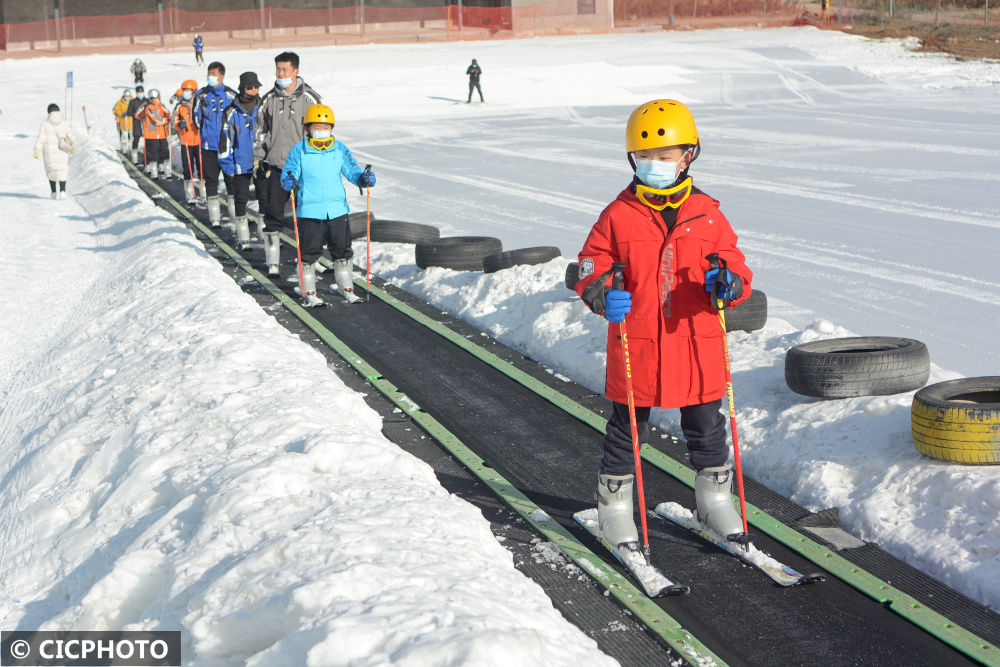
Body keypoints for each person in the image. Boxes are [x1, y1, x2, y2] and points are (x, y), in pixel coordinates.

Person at [573, 99, 753, 552]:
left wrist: (728, 283)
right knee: (628, 428)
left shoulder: (708, 213)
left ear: (687, 155)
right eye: (645, 157)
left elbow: (738, 268)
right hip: (640, 342)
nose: (654, 165)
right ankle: (614, 507)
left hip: (696, 342)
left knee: (707, 424)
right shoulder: (618, 214)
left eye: (664, 156)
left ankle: (714, 499)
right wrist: (600, 291)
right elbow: (588, 265)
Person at [281, 103, 374, 306]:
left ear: (331, 128)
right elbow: (289, 171)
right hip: (310, 210)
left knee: (342, 249)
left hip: (337, 209)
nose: (321, 131)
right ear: (307, 128)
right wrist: (289, 180)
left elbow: (351, 169)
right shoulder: (299, 150)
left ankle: (346, 287)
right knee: (309, 252)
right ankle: (309, 291)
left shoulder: (339, 148)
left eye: (325, 127)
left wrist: (362, 179)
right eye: (317, 127)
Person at [254, 51, 322, 275]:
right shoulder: (268, 99)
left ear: (296, 71)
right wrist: (258, 159)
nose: (280, 74)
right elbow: (259, 132)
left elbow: (321, 130)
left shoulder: (310, 98)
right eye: (278, 69)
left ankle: (312, 259)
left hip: (304, 168)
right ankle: (273, 260)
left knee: (309, 215)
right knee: (273, 214)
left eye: (285, 70)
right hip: (276, 167)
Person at [219, 72, 263, 250]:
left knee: (264, 199)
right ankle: (243, 237)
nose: (253, 90)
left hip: (261, 162)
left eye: (256, 86)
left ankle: (264, 234)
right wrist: (227, 164)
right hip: (239, 163)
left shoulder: (264, 107)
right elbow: (224, 140)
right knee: (241, 198)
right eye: (249, 87)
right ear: (242, 89)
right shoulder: (231, 112)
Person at [192, 61, 237, 226]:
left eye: (214, 74)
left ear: (222, 76)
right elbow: (196, 118)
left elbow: (237, 118)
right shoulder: (201, 95)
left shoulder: (231, 95)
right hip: (208, 146)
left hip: (227, 147)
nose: (211, 77)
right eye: (209, 74)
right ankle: (215, 217)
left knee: (231, 181)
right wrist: (205, 132)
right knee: (211, 181)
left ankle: (234, 215)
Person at [34, 103, 75, 200]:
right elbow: (70, 136)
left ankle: (53, 192)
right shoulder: (64, 123)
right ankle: (63, 191)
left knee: (51, 171)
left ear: (49, 112)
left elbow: (41, 137)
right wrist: (73, 147)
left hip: (49, 152)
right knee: (62, 171)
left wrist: (37, 150)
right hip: (62, 151)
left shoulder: (45, 124)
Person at [173, 79, 203, 206]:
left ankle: (204, 193)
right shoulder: (180, 107)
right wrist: (180, 125)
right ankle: (190, 195)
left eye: (188, 90)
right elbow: (174, 123)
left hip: (200, 141)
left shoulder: (200, 105)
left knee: (202, 168)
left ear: (194, 91)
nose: (185, 93)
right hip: (186, 140)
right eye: (184, 90)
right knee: (188, 168)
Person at [136, 88, 171, 179]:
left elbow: (168, 113)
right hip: (151, 134)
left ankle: (167, 170)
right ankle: (154, 172)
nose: (158, 99)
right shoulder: (148, 106)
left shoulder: (160, 105)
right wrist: (165, 121)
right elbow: (155, 120)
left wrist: (168, 117)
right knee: (153, 153)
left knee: (165, 152)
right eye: (157, 97)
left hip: (162, 133)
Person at [125, 85, 148, 163]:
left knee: (147, 141)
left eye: (141, 92)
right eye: (138, 92)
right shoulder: (133, 102)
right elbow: (129, 112)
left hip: (146, 124)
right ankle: (134, 157)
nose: (140, 93)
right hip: (136, 124)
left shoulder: (147, 101)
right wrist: (135, 115)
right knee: (136, 140)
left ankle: (147, 157)